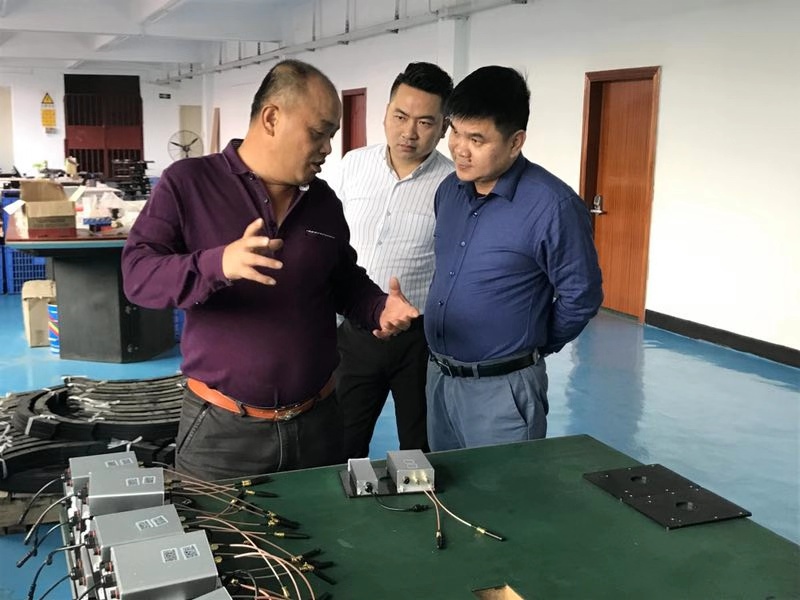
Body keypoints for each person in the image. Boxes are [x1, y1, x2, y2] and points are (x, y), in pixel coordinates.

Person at [121, 59, 419, 481]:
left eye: (332, 135)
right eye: (318, 133)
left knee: (326, 524)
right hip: (222, 434)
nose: (327, 148)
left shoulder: (323, 202)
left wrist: (378, 308)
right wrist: (218, 263)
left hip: (319, 426)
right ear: (272, 118)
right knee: (215, 526)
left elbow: (343, 281)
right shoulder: (188, 183)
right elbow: (138, 275)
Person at [424, 65, 603, 451]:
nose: (459, 148)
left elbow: (581, 297)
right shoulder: (449, 191)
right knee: (446, 485)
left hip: (502, 390)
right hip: (439, 379)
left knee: (500, 489)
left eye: (476, 138)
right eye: (455, 131)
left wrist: (532, 345)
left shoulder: (552, 206)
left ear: (515, 141)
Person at [325, 62, 453, 458]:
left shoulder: (453, 184)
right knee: (343, 442)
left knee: (419, 448)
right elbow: (329, 237)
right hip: (355, 331)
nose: (409, 132)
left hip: (419, 340)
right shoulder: (353, 166)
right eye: (400, 116)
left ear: (444, 127)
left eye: (425, 122)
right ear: (385, 114)